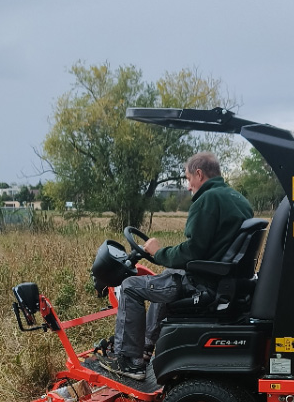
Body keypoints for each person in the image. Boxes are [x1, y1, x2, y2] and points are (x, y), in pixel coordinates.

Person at [99, 152, 254, 381]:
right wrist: (164, 257)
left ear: (199, 174)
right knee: (167, 276)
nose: (189, 186)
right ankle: (146, 348)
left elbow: (193, 250)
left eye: (188, 179)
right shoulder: (239, 200)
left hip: (203, 284)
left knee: (131, 286)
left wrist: (157, 252)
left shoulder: (207, 199)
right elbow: (207, 248)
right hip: (225, 280)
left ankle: (130, 362)